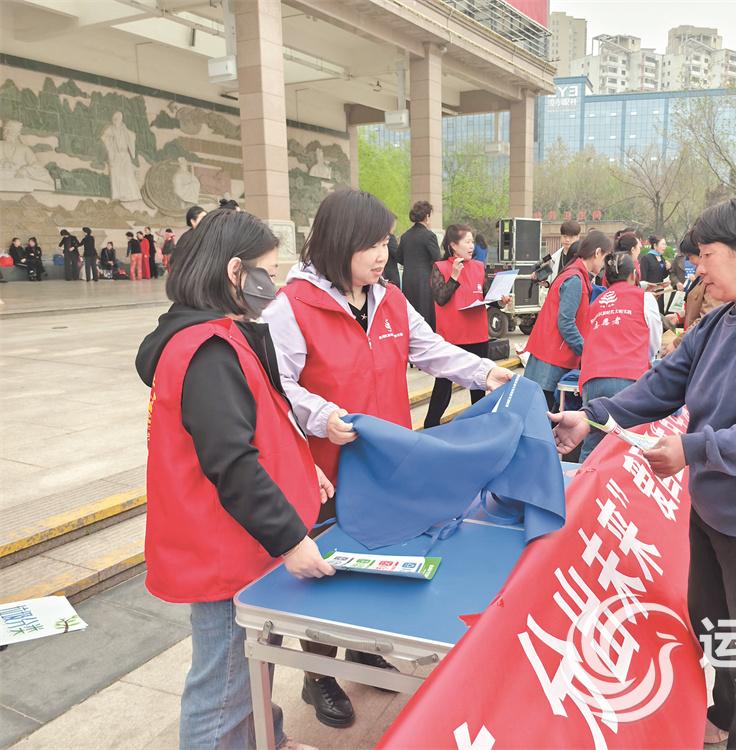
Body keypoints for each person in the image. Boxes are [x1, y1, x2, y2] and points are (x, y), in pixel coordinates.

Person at [550, 198, 736, 749]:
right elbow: (662, 386)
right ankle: (727, 713)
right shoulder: (718, 322)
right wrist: (591, 417)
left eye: (707, 256)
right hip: (716, 507)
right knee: (714, 622)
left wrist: (690, 449)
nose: (698, 268)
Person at [262, 189, 514, 729]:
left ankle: (363, 647)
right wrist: (319, 415)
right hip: (329, 467)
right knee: (329, 569)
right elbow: (277, 386)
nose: (383, 256)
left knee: (379, 554)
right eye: (372, 245)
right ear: (338, 243)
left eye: (385, 244)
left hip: (388, 462)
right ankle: (319, 673)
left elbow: (430, 350)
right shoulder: (293, 306)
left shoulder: (389, 298)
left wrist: (485, 372)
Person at [135, 209, 326, 750]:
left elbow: (259, 424)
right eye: (268, 272)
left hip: (236, 536)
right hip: (226, 546)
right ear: (235, 271)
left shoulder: (216, 333)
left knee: (248, 665)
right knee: (221, 686)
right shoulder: (206, 350)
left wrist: (303, 470)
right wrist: (291, 539)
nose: (275, 286)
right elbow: (232, 461)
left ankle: (268, 738)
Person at [424, 224, 512, 428]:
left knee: (479, 385)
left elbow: (487, 296)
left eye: (472, 241)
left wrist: (500, 301)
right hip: (451, 337)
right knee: (443, 386)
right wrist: (454, 275)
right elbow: (440, 298)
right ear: (453, 245)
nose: (472, 246)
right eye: (467, 242)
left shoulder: (479, 267)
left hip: (477, 334)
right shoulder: (440, 267)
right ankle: (430, 426)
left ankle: (479, 426)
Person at [578, 251, 663, 461]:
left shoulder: (595, 304)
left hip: (592, 378)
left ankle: (580, 481)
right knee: (628, 445)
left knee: (593, 445)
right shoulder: (644, 298)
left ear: (606, 279)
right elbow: (653, 339)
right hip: (629, 378)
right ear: (634, 275)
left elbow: (588, 339)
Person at [523, 231, 609, 409]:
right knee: (544, 413)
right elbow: (566, 323)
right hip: (551, 360)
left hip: (551, 355)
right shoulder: (575, 280)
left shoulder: (576, 275)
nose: (603, 265)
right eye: (604, 258)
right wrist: (587, 352)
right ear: (597, 252)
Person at [661, 232, 722, 356]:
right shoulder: (701, 277)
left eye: (690, 256)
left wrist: (677, 343)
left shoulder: (712, 281)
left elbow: (707, 318)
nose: (689, 261)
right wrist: (679, 316)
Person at [398, 200, 440, 329]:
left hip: (407, 280)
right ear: (427, 217)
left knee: (411, 314)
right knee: (425, 315)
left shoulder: (405, 236)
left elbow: (399, 258)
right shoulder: (429, 236)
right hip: (424, 281)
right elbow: (437, 259)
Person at [534, 220, 581, 285]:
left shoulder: (583, 257)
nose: (567, 240)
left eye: (571, 237)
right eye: (564, 236)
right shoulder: (554, 257)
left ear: (578, 237)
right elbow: (552, 280)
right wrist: (545, 283)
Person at [641, 236, 670, 313]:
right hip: (650, 293)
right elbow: (643, 279)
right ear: (655, 245)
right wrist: (646, 292)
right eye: (663, 244)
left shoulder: (662, 258)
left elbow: (663, 275)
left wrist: (667, 269)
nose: (665, 246)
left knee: (660, 312)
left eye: (665, 244)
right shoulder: (646, 258)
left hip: (660, 292)